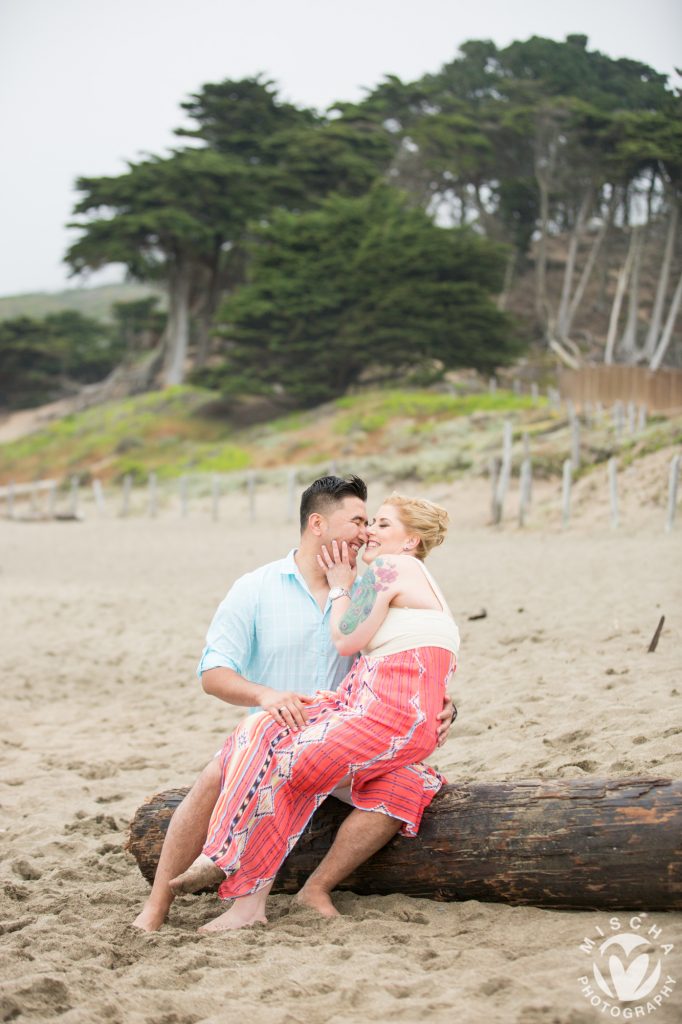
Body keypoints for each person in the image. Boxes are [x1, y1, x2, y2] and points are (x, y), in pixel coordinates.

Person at [132, 475, 455, 932]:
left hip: (348, 734)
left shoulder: (370, 586)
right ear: (318, 524)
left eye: (374, 523)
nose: (366, 532)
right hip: (276, 733)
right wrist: (266, 695)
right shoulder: (256, 587)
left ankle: (315, 889)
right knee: (217, 773)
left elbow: (408, 658)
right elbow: (212, 673)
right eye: (359, 521)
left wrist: (445, 704)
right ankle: (157, 905)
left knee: (407, 787)